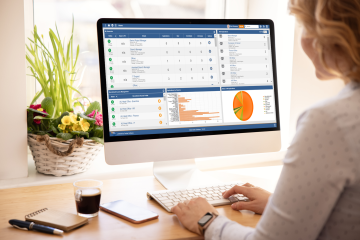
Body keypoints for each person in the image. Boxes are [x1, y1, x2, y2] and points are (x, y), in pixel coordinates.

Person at [171, 0, 360, 239]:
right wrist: (279, 206)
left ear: (329, 33)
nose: (303, 40)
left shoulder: (329, 123)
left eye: (305, 27)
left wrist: (207, 220)